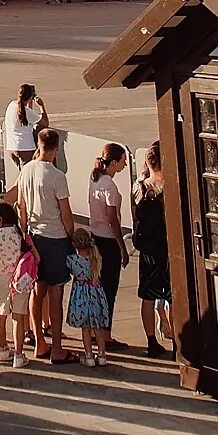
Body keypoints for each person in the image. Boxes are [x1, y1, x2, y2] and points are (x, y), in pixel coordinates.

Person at [15, 128, 75, 362]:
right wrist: (72, 238)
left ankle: (39, 340)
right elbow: (67, 215)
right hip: (55, 238)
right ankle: (57, 347)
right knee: (56, 293)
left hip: (34, 237)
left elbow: (21, 206)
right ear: (56, 148)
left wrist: (25, 235)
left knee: (37, 292)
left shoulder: (26, 170)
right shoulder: (57, 176)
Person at [85, 141, 131, 345]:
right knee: (108, 289)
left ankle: (96, 331)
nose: (124, 165)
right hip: (108, 240)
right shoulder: (109, 185)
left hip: (96, 236)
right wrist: (122, 247)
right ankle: (105, 333)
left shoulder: (95, 179)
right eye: (122, 161)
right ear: (113, 162)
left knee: (98, 286)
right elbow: (113, 219)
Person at [0, 201, 35, 368]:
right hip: (20, 281)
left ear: (1, 219)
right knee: (18, 317)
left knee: (0, 315)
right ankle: (18, 355)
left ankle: (3, 350)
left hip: (2, 281)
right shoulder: (21, 235)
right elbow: (35, 256)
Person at [133, 141, 173, 354]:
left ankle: (151, 341)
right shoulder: (168, 185)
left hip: (147, 248)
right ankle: (177, 339)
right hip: (165, 246)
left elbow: (135, 216)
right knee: (172, 295)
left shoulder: (139, 187)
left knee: (147, 297)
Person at [66, 232, 112, 365]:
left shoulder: (72, 259)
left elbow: (70, 270)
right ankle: (102, 355)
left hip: (81, 295)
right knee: (98, 327)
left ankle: (89, 355)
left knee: (85, 328)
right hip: (96, 293)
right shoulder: (96, 258)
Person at [4, 82, 45, 180]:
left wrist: (29, 102)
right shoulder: (26, 112)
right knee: (28, 179)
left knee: (23, 177)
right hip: (25, 149)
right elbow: (44, 122)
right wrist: (41, 106)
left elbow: (25, 114)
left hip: (11, 147)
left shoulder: (11, 105)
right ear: (30, 97)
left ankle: (17, 194)